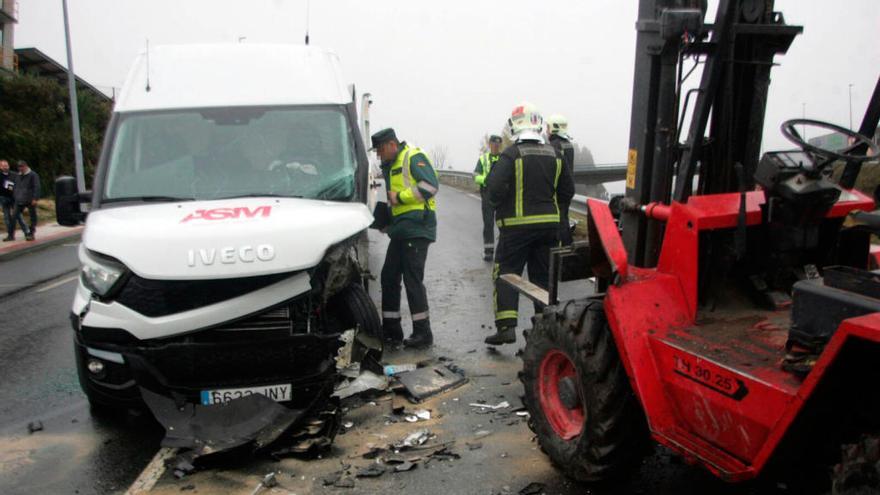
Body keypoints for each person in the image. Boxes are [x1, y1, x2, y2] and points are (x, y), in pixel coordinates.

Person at [485, 103, 575, 345]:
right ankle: (544, 331)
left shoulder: (512, 154)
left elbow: (493, 188)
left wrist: (498, 204)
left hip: (515, 228)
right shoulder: (555, 154)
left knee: (505, 273)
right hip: (549, 227)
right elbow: (568, 190)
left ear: (516, 125)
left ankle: (506, 327)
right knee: (543, 280)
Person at [371, 128, 440, 349]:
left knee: (412, 280)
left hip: (418, 228)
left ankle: (423, 333)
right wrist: (386, 221)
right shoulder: (391, 166)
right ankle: (391, 331)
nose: (380, 156)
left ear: (392, 144)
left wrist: (399, 197)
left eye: (381, 150)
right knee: (389, 277)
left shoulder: (412, 155)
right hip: (401, 231)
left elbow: (430, 186)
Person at [546, 114, 575, 246]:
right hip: (567, 188)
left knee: (560, 222)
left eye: (548, 128)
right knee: (564, 218)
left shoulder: (554, 145)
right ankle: (567, 247)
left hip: (557, 190)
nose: (546, 131)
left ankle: (563, 249)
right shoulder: (568, 144)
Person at [473, 135, 503, 261]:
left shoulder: (504, 158)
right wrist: (486, 180)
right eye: (494, 144)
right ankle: (489, 251)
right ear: (490, 144)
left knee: (504, 223)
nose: (496, 146)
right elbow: (476, 176)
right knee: (488, 223)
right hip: (488, 194)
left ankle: (504, 251)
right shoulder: (483, 159)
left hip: (502, 195)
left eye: (498, 144)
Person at [12, 160, 40, 241]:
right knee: (14, 215)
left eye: (22, 166)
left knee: (32, 216)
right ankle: (13, 234)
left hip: (30, 199)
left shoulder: (33, 175)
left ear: (26, 166)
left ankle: (31, 232)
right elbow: (16, 186)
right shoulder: (18, 176)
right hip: (19, 199)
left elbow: (36, 187)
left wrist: (35, 198)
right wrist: (16, 195)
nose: (20, 168)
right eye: (19, 167)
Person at [1, 160, 17, 242]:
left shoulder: (14, 174)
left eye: (6, 165)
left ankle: (27, 232)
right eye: (3, 166)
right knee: (7, 217)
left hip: (14, 198)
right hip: (4, 198)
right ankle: (10, 235)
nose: (5, 167)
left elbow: (18, 184)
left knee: (17, 216)